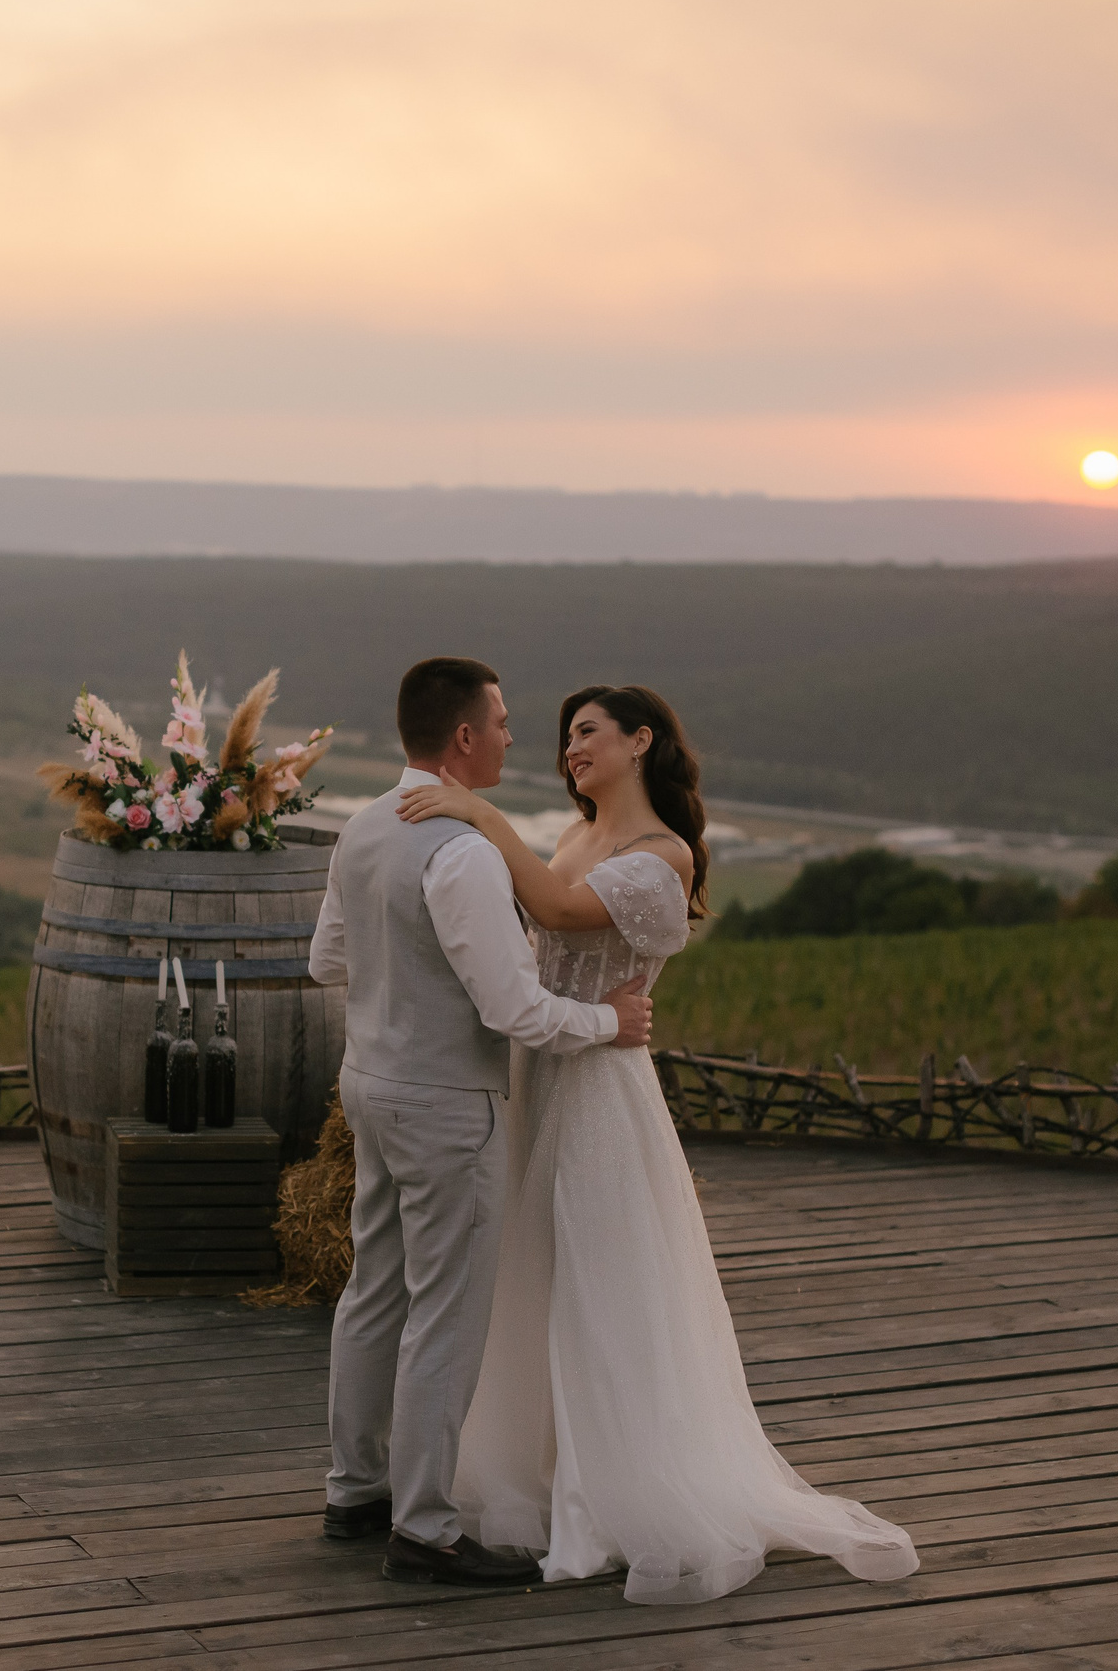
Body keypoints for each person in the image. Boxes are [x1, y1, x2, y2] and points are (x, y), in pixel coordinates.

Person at [395, 683, 919, 1604]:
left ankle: (617, 1488)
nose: (569, 748)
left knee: (601, 1282)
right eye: (563, 737)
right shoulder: (573, 837)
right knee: (534, 1274)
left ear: (642, 741)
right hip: (540, 1072)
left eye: (587, 732)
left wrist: (476, 810)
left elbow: (557, 913)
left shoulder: (660, 856)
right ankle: (542, 1472)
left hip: (600, 1093)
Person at [309, 657, 658, 1587]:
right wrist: (608, 1022)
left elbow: (324, 961)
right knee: (447, 1312)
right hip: (445, 1104)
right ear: (463, 737)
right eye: (500, 721)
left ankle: (355, 1490)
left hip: (368, 1081)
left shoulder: (363, 826)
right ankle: (422, 1527)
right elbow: (517, 1012)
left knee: (373, 1287)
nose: (513, 735)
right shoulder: (462, 854)